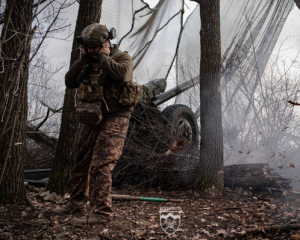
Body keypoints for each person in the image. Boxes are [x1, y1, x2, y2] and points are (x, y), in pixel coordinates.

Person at [53, 23, 136, 225]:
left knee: (102, 164)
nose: (91, 51)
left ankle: (102, 213)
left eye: (94, 48)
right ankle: (76, 203)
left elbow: (122, 74)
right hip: (92, 117)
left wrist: (103, 57)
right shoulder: (86, 60)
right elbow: (69, 81)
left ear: (106, 43)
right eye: (88, 48)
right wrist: (83, 59)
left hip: (115, 117)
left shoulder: (121, 58)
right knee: (81, 160)